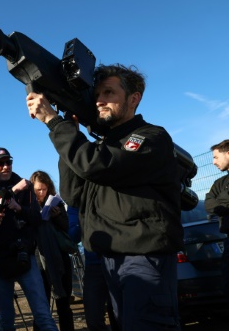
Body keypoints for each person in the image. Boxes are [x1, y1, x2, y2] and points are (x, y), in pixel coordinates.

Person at [27, 64, 183, 330]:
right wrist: (70, 133)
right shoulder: (102, 147)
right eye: (97, 94)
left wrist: (54, 122)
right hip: (108, 259)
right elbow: (73, 193)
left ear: (134, 98)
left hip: (143, 257)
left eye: (109, 92)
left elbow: (96, 165)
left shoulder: (149, 137)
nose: (100, 100)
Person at [0, 147, 58, 331]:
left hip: (24, 257)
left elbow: (37, 220)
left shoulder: (26, 188)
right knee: (6, 320)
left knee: (43, 315)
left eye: (8, 162)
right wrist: (11, 194)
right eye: (1, 163)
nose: (6, 166)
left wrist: (19, 208)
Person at [30, 170, 74, 331]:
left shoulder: (57, 203)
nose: (42, 193)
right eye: (38, 190)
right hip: (39, 260)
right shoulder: (28, 206)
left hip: (60, 258)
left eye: (44, 189)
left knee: (64, 304)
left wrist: (57, 217)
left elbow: (66, 228)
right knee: (42, 307)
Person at [68, 206, 118, 331]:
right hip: (94, 262)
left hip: (119, 260)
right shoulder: (77, 201)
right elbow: (73, 235)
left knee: (121, 315)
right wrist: (85, 221)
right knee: (93, 317)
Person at [204, 139, 229, 298]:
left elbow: (216, 203)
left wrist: (222, 205)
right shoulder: (220, 183)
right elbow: (208, 204)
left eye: (216, 157)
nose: (213, 162)